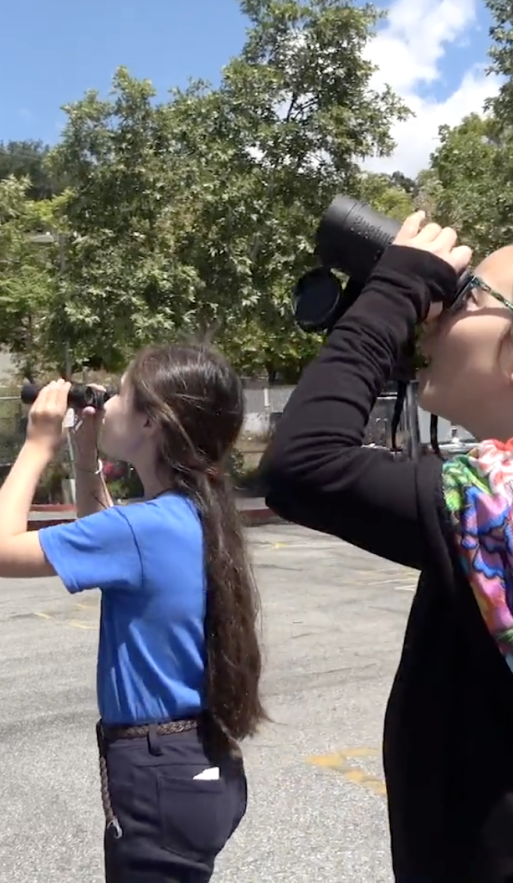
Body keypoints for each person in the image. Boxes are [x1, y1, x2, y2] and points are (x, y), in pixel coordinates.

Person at [260, 212, 513, 882]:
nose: (433, 319)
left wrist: (396, 288)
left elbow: (305, 464)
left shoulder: (501, 502)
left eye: (464, 298)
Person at [0, 343, 266, 882]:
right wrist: (85, 460)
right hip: (194, 761)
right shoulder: (191, 514)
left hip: (159, 774)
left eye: (120, 395)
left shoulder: (145, 527)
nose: (104, 404)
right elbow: (111, 540)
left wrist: (38, 445)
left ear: (152, 420)